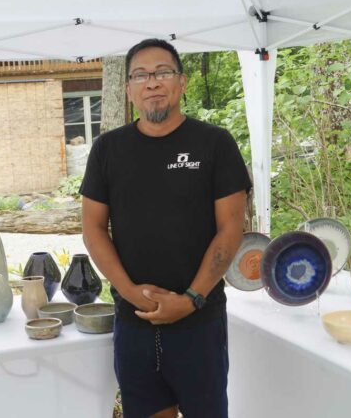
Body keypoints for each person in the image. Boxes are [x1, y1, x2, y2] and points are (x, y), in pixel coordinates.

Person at [80, 38, 252, 418]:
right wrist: (129, 292)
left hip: (199, 322)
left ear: (182, 82)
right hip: (134, 323)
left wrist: (190, 298)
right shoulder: (108, 149)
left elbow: (231, 228)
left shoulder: (214, 144)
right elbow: (92, 228)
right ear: (128, 89)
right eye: (140, 75)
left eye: (162, 72)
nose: (152, 83)